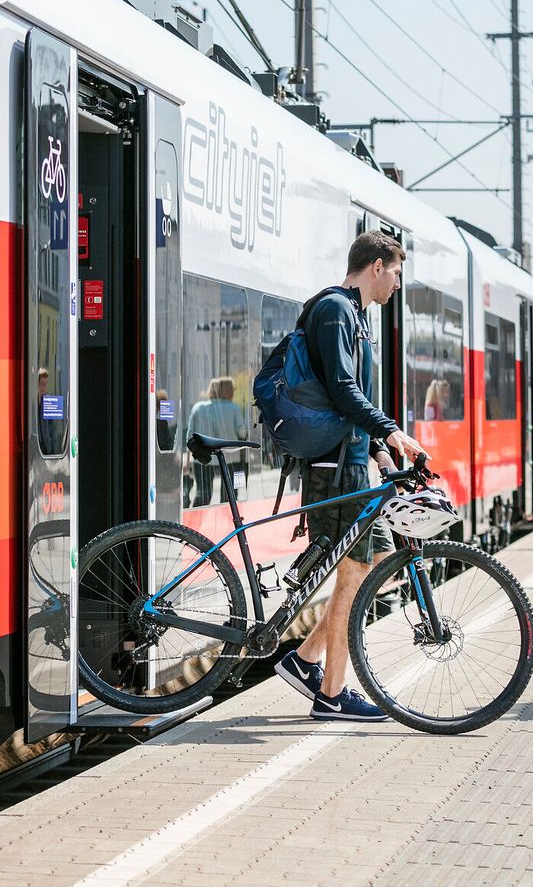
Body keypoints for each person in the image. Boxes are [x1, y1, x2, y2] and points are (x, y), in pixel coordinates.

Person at [274, 231, 425, 722]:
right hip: (334, 470)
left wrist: (381, 452)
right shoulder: (337, 310)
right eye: (397, 272)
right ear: (377, 266)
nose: (398, 284)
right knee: (356, 572)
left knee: (378, 559)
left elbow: (350, 398)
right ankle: (333, 694)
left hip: (354, 461)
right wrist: (391, 430)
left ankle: (306, 660)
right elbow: (342, 389)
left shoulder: (356, 317)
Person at [185, 377, 247, 506]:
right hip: (229, 457)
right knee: (229, 494)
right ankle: (228, 522)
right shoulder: (234, 408)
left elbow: (189, 435)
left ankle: (196, 521)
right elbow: (242, 433)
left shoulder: (198, 407)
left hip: (203, 457)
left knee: (203, 493)